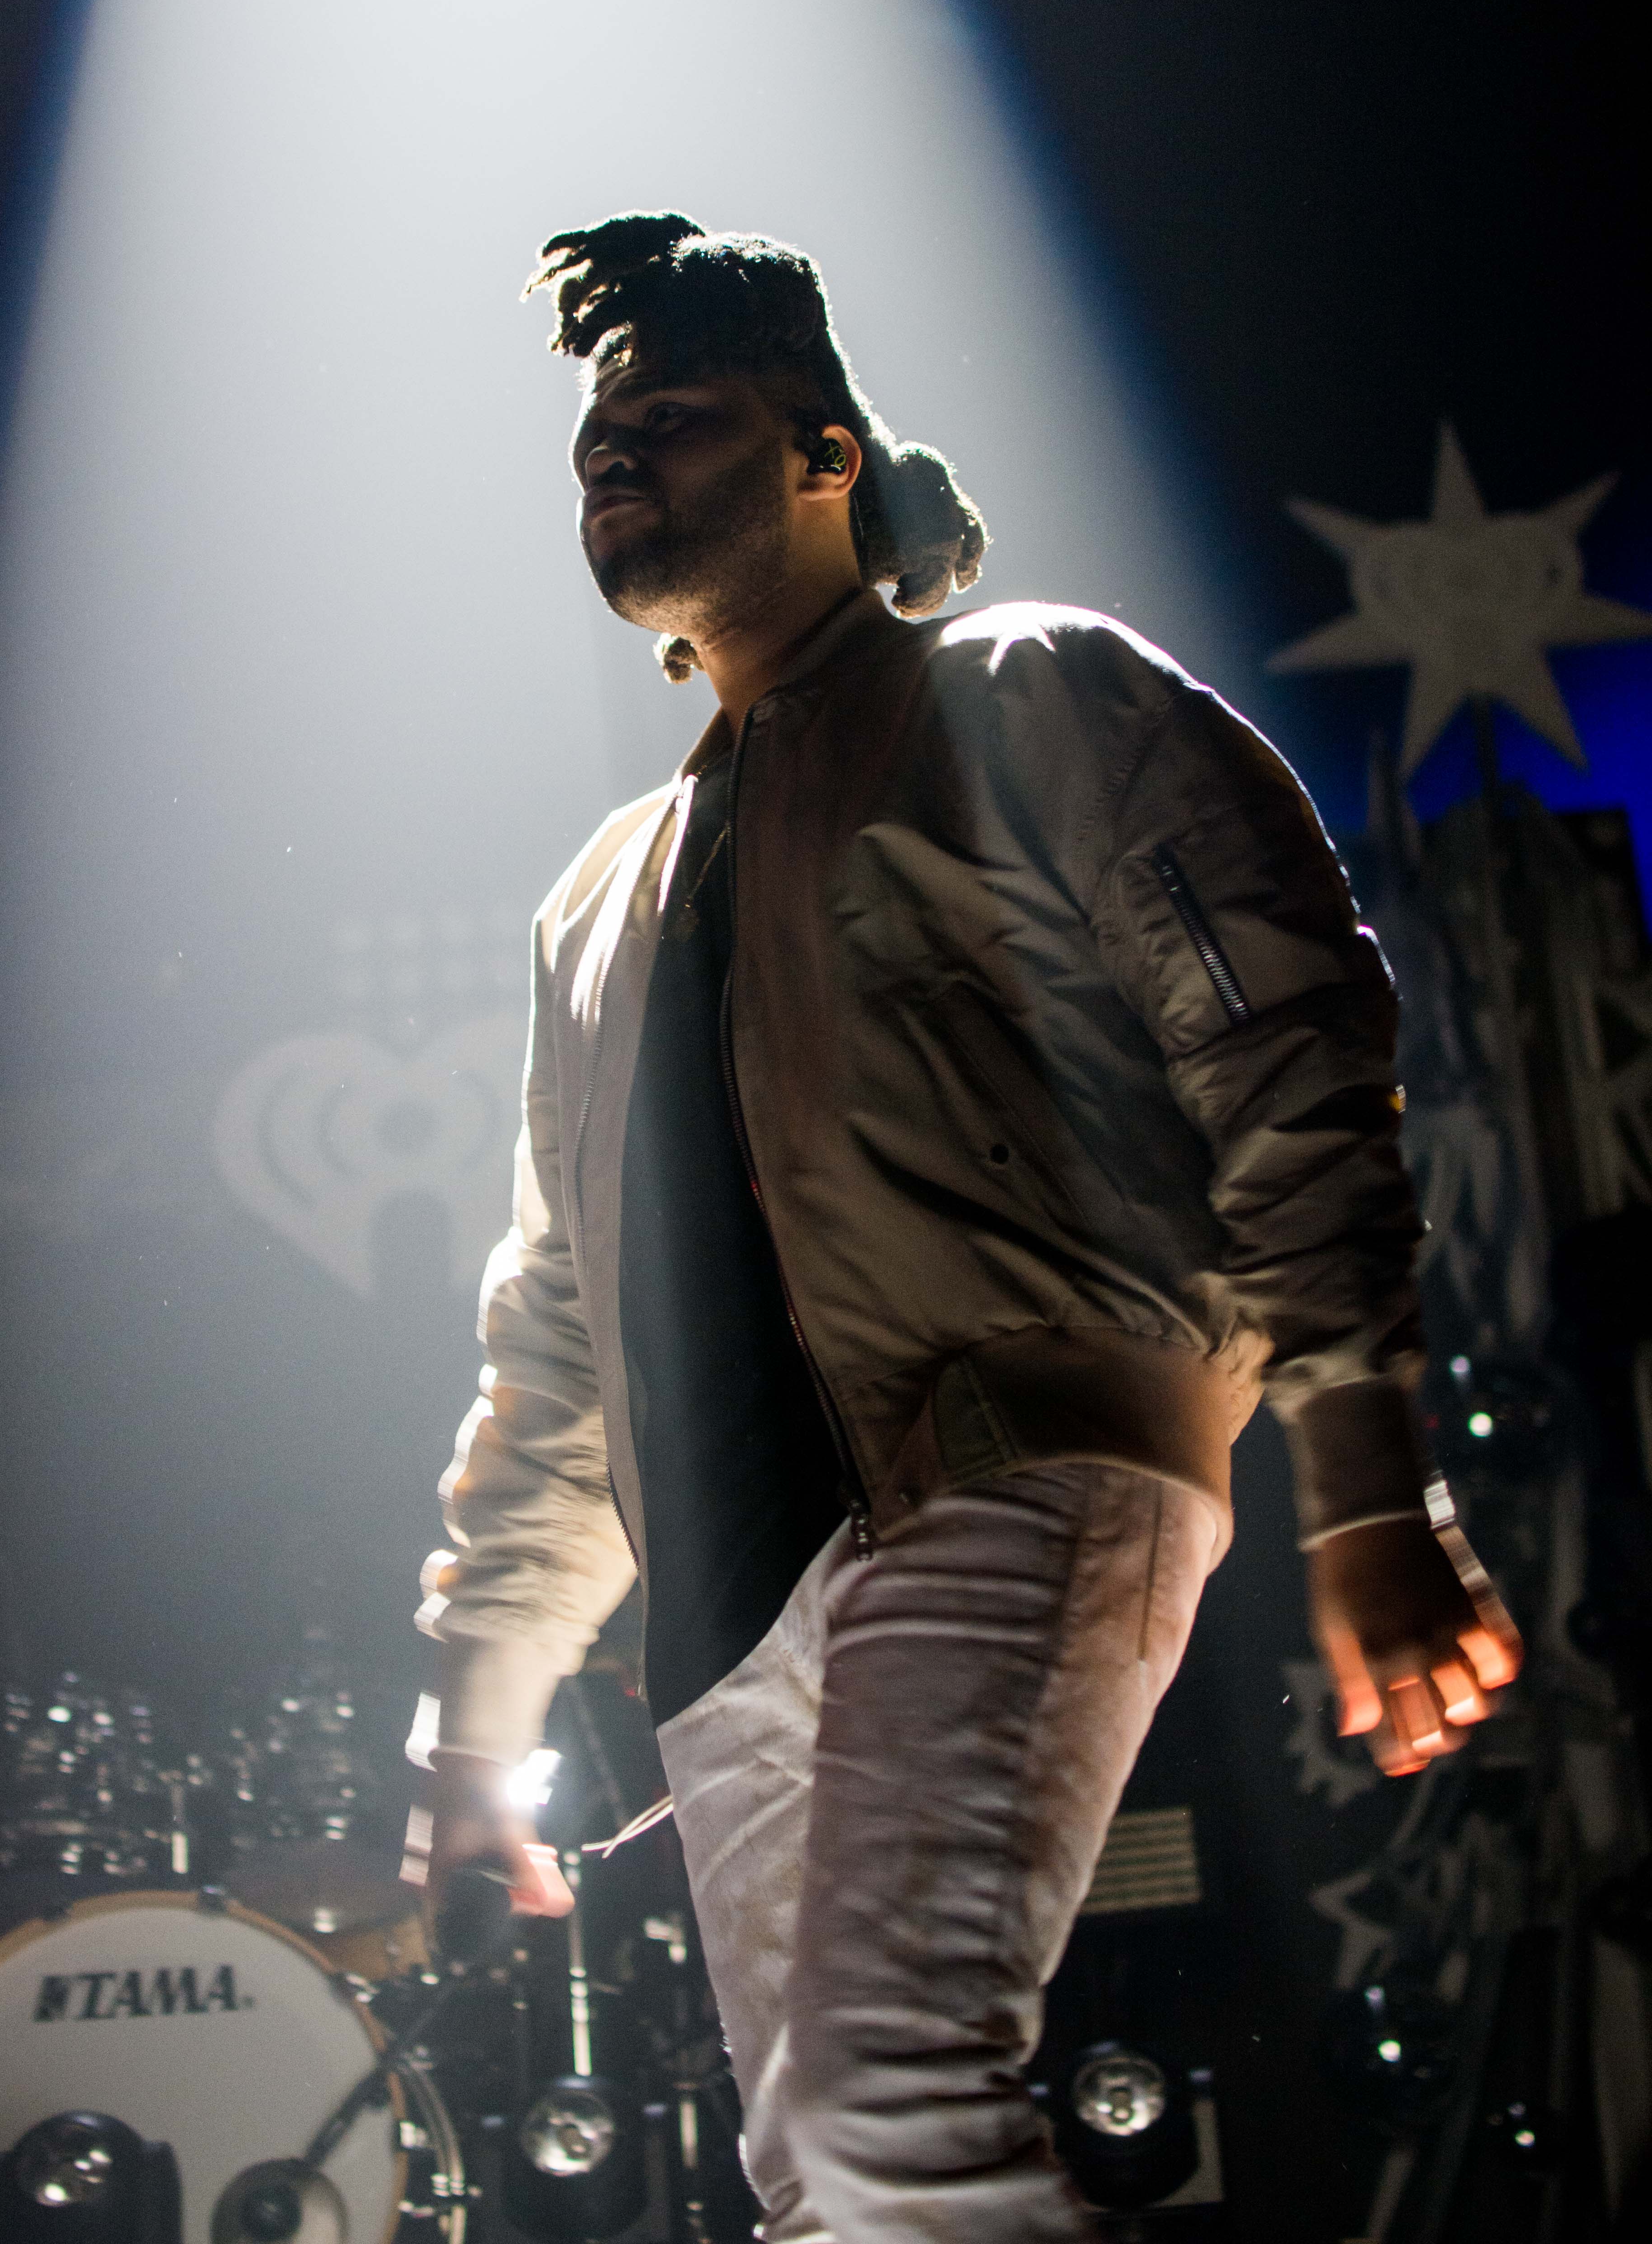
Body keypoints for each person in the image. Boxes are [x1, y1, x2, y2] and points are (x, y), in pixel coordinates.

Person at [402, 213, 1520, 2241]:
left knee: (884, 2105)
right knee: (828, 2193)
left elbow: (1286, 1053)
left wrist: (1368, 1472)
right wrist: (482, 1720)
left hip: (1024, 1464)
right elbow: (561, 1334)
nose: (615, 456)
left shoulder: (1030, 696)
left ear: (826, 455)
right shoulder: (598, 906)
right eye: (595, 439)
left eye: (676, 415)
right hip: (728, 1618)